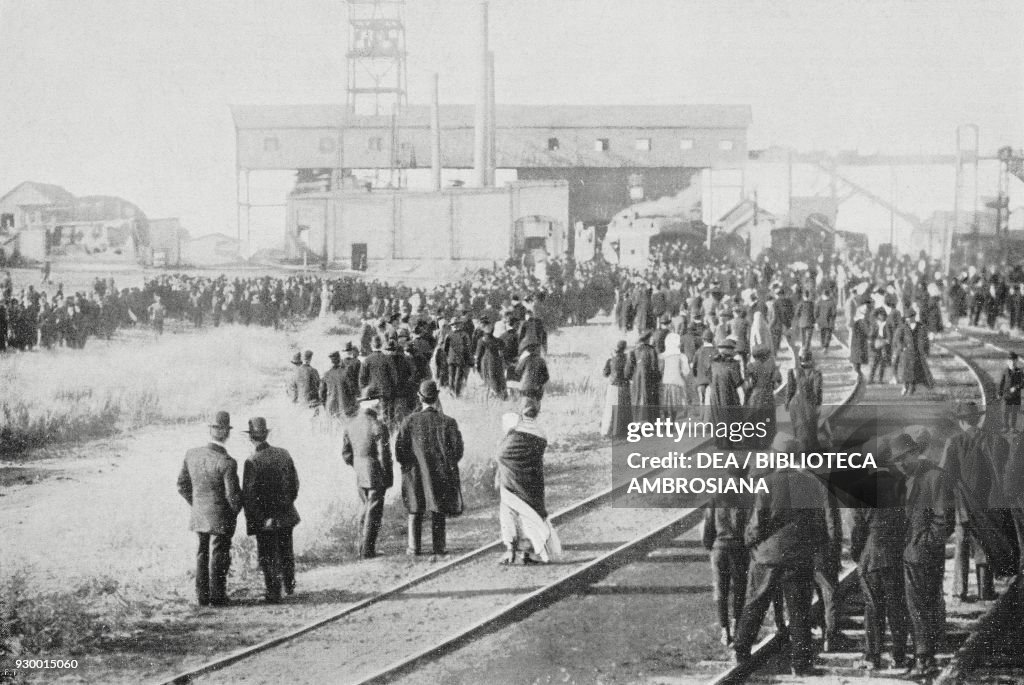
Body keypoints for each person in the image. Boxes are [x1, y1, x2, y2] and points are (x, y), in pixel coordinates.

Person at [733, 458, 827, 676]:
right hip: (799, 556)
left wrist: (749, 541)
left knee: (756, 602)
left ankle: (741, 650)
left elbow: (758, 522)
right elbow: (818, 521)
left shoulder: (768, 482)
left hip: (769, 556)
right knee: (799, 610)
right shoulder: (811, 483)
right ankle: (801, 664)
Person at [891, 431, 955, 677]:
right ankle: (924, 657)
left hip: (923, 554)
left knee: (921, 607)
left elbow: (944, 521)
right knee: (918, 607)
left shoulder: (935, 477)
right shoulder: (910, 477)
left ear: (915, 453)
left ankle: (924, 661)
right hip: (911, 553)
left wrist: (922, 545)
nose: (900, 464)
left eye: (903, 459)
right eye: (896, 461)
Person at [940, 401, 1008, 602]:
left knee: (961, 545)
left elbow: (944, 475)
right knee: (984, 546)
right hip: (986, 505)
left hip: (962, 504)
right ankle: (985, 591)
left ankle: (959, 592)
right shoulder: (992, 440)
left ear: (961, 421)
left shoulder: (954, 441)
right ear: (978, 419)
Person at [176, 411, 242, 607]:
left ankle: (202, 596)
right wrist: (235, 511)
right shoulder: (227, 462)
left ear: (210, 430)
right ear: (225, 432)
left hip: (199, 514)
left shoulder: (191, 454)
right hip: (221, 515)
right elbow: (232, 496)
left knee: (202, 552)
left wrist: (196, 503)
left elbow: (181, 485)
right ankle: (218, 595)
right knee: (219, 554)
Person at [850, 457, 909, 671]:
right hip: (897, 554)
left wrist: (858, 554)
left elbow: (857, 529)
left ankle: (872, 657)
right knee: (897, 606)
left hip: (872, 555)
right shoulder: (902, 483)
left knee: (873, 608)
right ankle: (899, 656)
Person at [394, 380, 465, 556]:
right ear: (436, 397)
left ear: (420, 397)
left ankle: (413, 547)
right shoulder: (448, 422)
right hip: (439, 473)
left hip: (415, 473)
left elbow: (399, 452)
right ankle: (439, 547)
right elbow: (457, 451)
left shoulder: (408, 421)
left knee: (414, 508)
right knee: (438, 509)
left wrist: (410, 466)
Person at [495, 399, 561, 565]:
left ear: (521, 412)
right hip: (530, 479)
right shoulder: (541, 433)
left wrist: (501, 470)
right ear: (537, 412)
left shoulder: (514, 425)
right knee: (530, 514)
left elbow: (502, 449)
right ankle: (528, 552)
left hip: (509, 474)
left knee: (508, 510)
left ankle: (510, 551)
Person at [241, 417, 300, 602]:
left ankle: (273, 592)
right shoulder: (283, 453)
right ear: (266, 434)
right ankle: (289, 585)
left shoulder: (252, 461)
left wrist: (258, 518)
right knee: (286, 549)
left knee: (268, 554)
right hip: (286, 513)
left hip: (265, 517)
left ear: (251, 438)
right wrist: (287, 504)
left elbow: (250, 495)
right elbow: (294, 484)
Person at [342, 389, 393, 558]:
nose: (380, 404)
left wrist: (358, 465)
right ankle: (367, 550)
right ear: (374, 403)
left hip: (360, 471)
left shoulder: (351, 424)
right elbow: (384, 455)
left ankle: (361, 547)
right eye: (378, 400)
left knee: (365, 508)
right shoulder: (378, 425)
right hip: (375, 471)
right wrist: (388, 475)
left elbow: (346, 454)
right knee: (374, 512)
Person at [702, 473, 750, 646]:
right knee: (740, 588)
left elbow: (708, 524)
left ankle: (725, 631)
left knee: (720, 590)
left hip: (719, 547)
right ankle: (736, 623)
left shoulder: (717, 495)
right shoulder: (749, 495)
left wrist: (710, 545)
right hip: (739, 548)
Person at [744, 345, 781, 449]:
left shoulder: (750, 366)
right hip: (768, 395)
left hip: (755, 396)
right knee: (767, 419)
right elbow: (777, 382)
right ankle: (767, 442)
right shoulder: (772, 366)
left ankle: (753, 442)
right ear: (765, 356)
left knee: (754, 419)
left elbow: (749, 384)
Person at [786, 349, 823, 451]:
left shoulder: (792, 371)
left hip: (795, 403)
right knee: (810, 428)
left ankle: (799, 452)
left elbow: (790, 390)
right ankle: (810, 453)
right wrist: (818, 405)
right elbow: (817, 390)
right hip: (809, 403)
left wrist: (787, 403)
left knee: (798, 428)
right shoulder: (816, 373)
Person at [894, 309, 932, 396]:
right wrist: (902, 347)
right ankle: (905, 386)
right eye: (907, 318)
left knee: (915, 371)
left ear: (914, 317)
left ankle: (912, 388)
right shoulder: (903, 327)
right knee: (906, 371)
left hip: (917, 352)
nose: (908, 319)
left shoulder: (921, 326)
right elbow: (897, 339)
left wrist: (926, 351)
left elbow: (926, 340)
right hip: (906, 353)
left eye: (910, 317)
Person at [627, 330, 661, 423]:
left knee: (637, 398)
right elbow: (654, 366)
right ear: (647, 340)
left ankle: (637, 421)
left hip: (636, 378)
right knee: (649, 398)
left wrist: (630, 378)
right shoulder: (651, 350)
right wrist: (657, 378)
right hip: (649, 378)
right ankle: (649, 421)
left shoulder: (634, 351)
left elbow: (629, 368)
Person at [601, 340, 633, 439]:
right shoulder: (627, 360)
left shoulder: (611, 360)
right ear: (625, 349)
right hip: (624, 386)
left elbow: (605, 374)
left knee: (610, 410)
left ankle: (607, 431)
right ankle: (623, 431)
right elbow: (629, 375)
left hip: (613, 386)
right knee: (624, 410)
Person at [321, 343, 361, 419]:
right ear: (339, 359)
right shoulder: (345, 372)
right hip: (344, 408)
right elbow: (352, 390)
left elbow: (322, 394)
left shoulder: (326, 375)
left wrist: (325, 405)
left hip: (331, 410)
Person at [476, 319, 508, 400]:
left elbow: (478, 355)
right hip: (496, 363)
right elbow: (503, 351)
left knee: (491, 381)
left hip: (488, 364)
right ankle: (502, 397)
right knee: (499, 380)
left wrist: (477, 366)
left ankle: (497, 398)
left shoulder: (482, 341)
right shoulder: (498, 341)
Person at [516, 343, 550, 407]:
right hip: (535, 390)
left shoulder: (525, 359)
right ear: (538, 351)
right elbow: (546, 377)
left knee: (523, 406)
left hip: (523, 389)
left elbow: (517, 371)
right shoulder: (541, 361)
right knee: (534, 407)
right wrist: (539, 383)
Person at [289, 349, 322, 414]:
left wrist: (294, 401)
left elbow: (293, 389)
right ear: (310, 359)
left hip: (302, 405)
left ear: (301, 359)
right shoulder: (314, 371)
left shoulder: (295, 372)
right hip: (313, 404)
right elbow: (319, 386)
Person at [997, 352, 1023, 433]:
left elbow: (1023, 383)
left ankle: (1013, 428)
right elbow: (1001, 382)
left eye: (1013, 361)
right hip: (1006, 395)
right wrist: (999, 393)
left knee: (1014, 412)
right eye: (1010, 361)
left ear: (1016, 361)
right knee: (1005, 412)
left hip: (1016, 395)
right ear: (1007, 362)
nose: (1011, 362)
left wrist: (1016, 387)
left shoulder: (1020, 371)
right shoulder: (1005, 371)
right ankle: (1005, 427)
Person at [868, 309, 894, 384]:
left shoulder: (887, 324)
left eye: (882, 316)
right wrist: (872, 342)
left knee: (883, 362)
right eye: (879, 316)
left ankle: (880, 379)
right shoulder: (875, 324)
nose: (880, 318)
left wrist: (885, 341)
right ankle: (871, 379)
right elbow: (872, 335)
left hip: (885, 345)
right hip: (877, 345)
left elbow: (890, 336)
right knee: (874, 362)